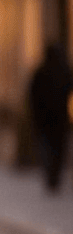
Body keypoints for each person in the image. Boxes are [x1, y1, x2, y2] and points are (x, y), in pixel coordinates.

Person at [28, 43, 72, 191]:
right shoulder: (62, 71)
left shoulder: (41, 72)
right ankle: (53, 177)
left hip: (47, 119)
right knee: (56, 148)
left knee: (49, 148)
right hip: (57, 119)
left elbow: (32, 95)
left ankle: (52, 177)